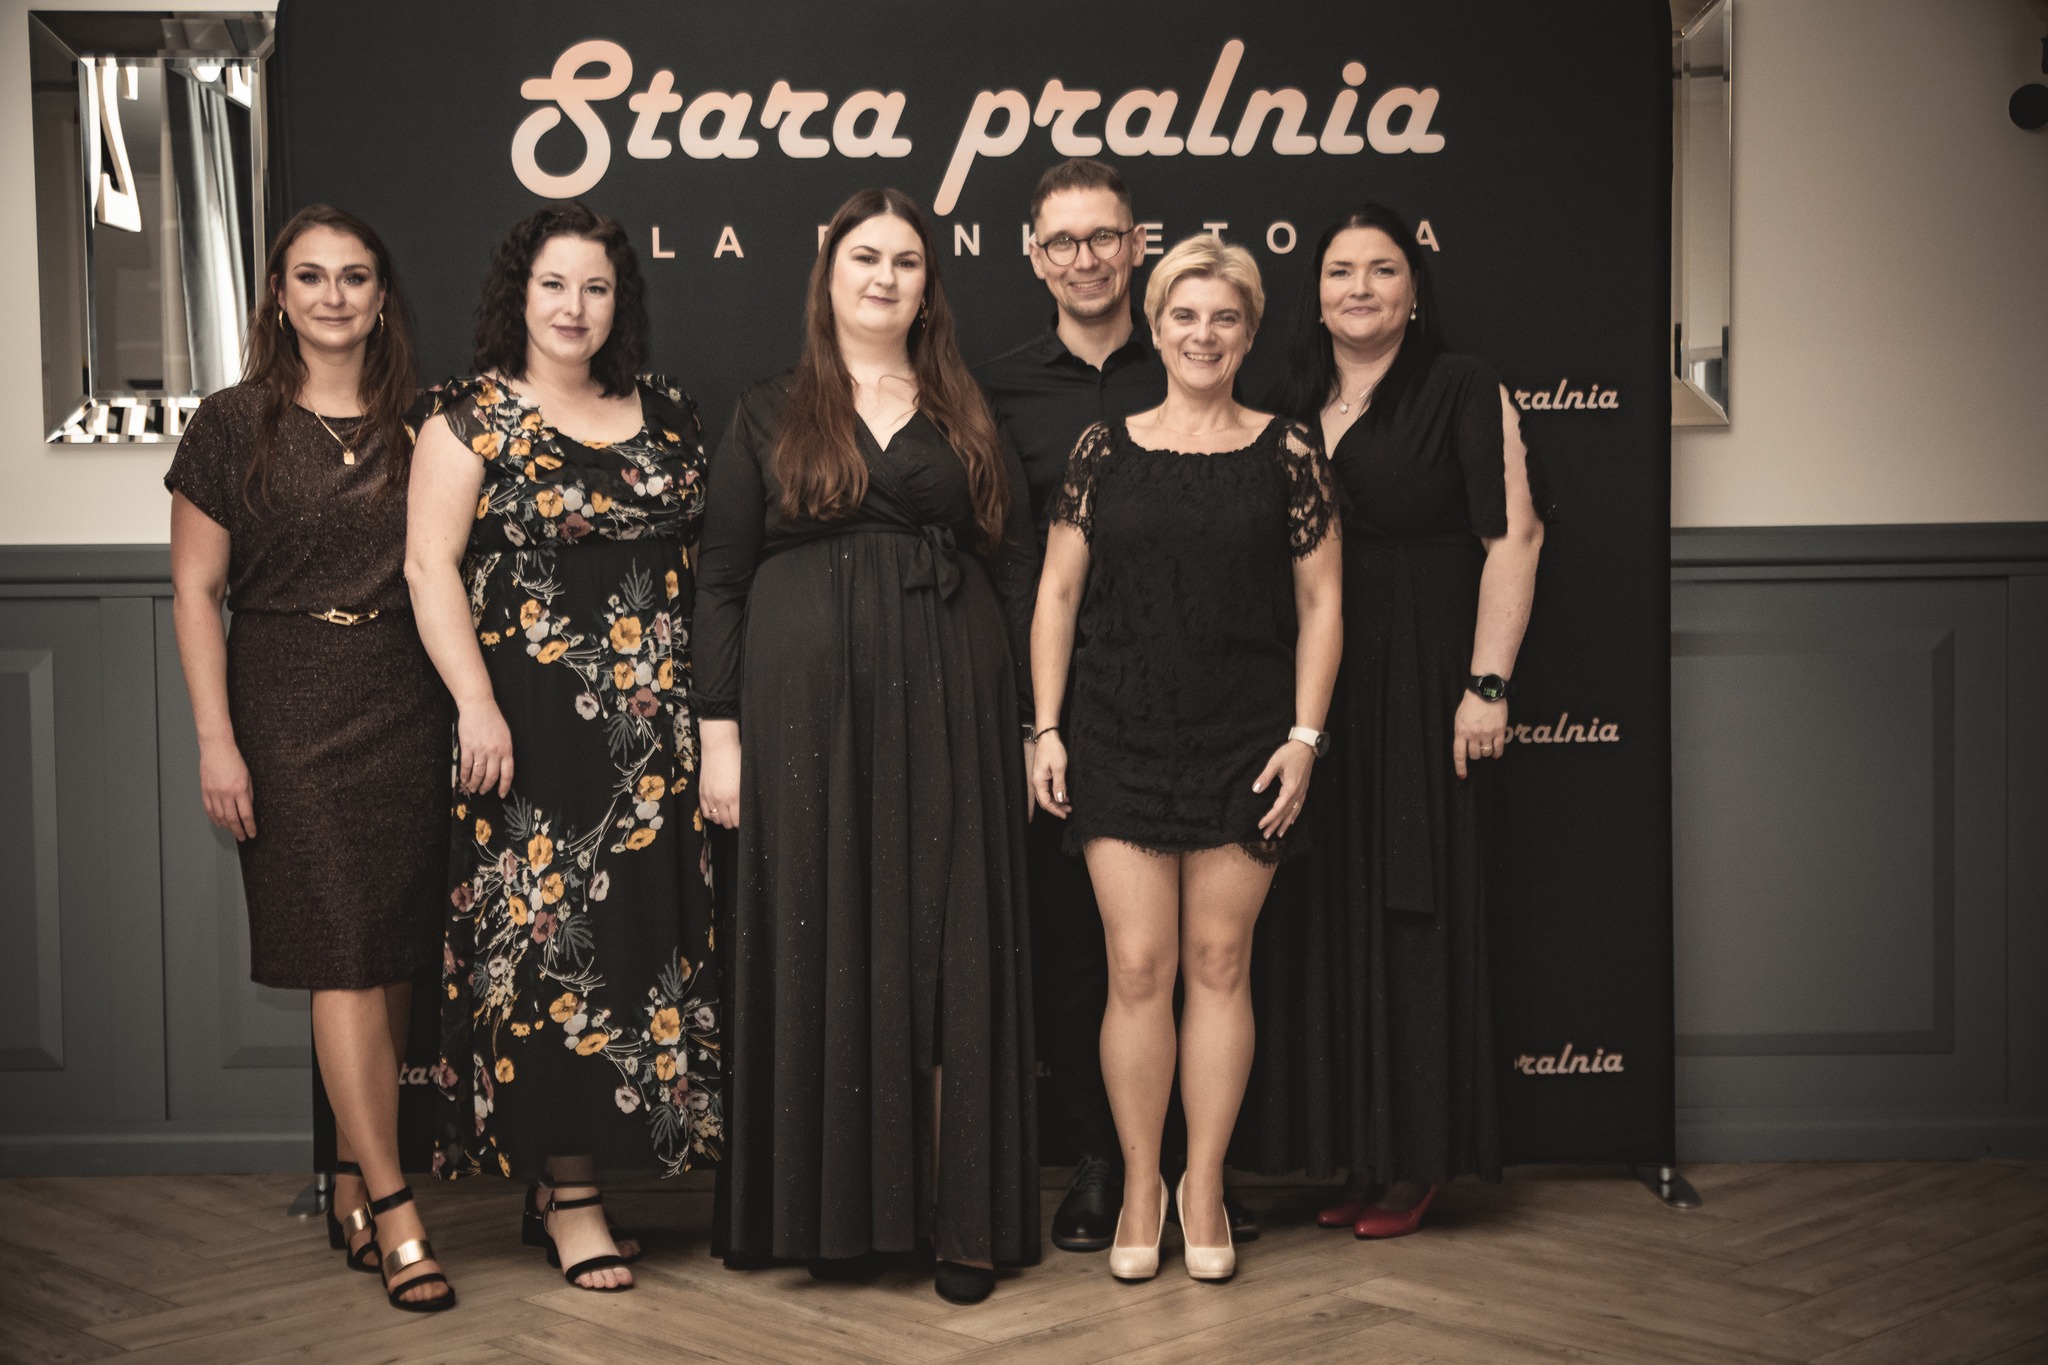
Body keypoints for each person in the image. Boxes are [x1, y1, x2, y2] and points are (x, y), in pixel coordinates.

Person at [696, 188, 1040, 1305]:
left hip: (951, 698)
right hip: (803, 717)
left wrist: (1028, 720)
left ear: (929, 287)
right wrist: (718, 733)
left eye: (905, 261)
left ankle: (962, 1221)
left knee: (951, 942)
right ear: (829, 275)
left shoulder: (964, 409)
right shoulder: (766, 409)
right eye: (864, 257)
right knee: (824, 942)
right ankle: (834, 1217)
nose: (884, 277)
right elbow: (722, 580)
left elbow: (1015, 567)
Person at [405, 201, 720, 1293]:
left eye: (595, 287)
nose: (574, 307)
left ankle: (568, 1184)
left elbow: (707, 566)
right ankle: (573, 1196)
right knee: (551, 954)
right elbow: (428, 568)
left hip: (654, 732)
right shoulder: (468, 419)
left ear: (619, 301)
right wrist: (474, 704)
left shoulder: (669, 414)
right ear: (519, 294)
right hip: (528, 728)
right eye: (554, 285)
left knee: (631, 952)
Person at [1031, 235, 1342, 1282]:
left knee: (1218, 964)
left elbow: (1322, 604)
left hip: (1244, 743)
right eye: (1184, 316)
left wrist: (1304, 739)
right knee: (1135, 968)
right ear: (1155, 328)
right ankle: (1139, 1183)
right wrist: (1045, 727)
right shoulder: (1102, 449)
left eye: (1224, 319)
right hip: (1117, 733)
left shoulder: (1288, 451)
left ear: (1248, 336)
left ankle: (1201, 1184)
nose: (1202, 335)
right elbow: (1057, 596)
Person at [167, 205, 455, 1312]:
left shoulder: (424, 421)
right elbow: (195, 590)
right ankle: (396, 1205)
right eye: (311, 276)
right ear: (279, 297)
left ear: (382, 298)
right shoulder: (232, 422)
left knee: (389, 952)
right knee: (340, 951)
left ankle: (347, 1173)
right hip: (285, 703)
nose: (333, 295)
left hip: (406, 696)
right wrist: (216, 740)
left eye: (355, 276)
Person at [1251, 205, 1546, 1238]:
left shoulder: (1461, 386)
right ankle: (1357, 1151)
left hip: (1425, 676)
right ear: (1316, 293)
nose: (1360, 289)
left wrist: (1487, 684)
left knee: (1416, 908)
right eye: (1340, 271)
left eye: (1382, 270)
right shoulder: (1290, 402)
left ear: (1415, 291)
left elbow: (1515, 538)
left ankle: (1418, 1159)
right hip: (1318, 683)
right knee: (1330, 908)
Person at [972, 156, 1165, 1253]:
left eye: (1104, 237)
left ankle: (1195, 1163)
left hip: (1193, 695)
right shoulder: (994, 392)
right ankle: (1100, 1159)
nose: (1085, 259)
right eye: (1063, 241)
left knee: (1199, 945)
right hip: (1060, 706)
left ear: (1137, 244)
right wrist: (1025, 715)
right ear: (1033, 256)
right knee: (1080, 946)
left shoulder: (1193, 358)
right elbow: (1003, 562)